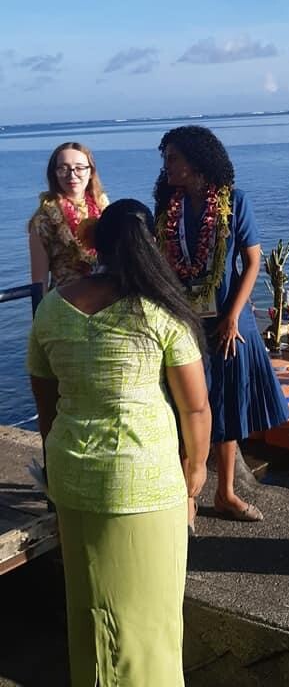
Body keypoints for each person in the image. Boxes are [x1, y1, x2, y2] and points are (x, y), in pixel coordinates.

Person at [26, 199, 211, 685]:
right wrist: (195, 475)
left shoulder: (52, 308)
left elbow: (47, 401)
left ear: (96, 244)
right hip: (143, 482)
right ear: (153, 246)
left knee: (90, 610)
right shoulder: (160, 311)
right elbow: (195, 406)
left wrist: (57, 462)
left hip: (71, 474)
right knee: (147, 620)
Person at [154, 125, 289, 522]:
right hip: (184, 322)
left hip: (229, 321)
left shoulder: (234, 202)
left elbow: (252, 262)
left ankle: (225, 493)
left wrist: (232, 316)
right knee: (185, 407)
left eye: (173, 158)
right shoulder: (168, 208)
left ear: (196, 160)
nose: (167, 166)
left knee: (227, 407)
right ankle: (186, 495)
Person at [28, 142, 109, 292]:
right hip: (66, 304)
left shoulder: (105, 210)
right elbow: (40, 284)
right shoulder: (43, 221)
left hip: (104, 299)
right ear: (54, 174)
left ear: (90, 172)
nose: (72, 175)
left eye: (79, 168)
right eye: (63, 168)